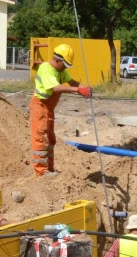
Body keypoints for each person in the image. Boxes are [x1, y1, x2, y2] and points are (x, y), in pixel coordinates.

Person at [30, 43, 92, 177]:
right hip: (40, 107)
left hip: (49, 108)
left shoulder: (60, 70)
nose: (65, 68)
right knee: (41, 138)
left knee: (51, 138)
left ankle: (50, 169)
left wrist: (84, 88)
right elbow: (56, 88)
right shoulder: (46, 69)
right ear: (58, 60)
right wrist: (77, 90)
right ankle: (41, 172)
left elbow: (72, 82)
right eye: (65, 64)